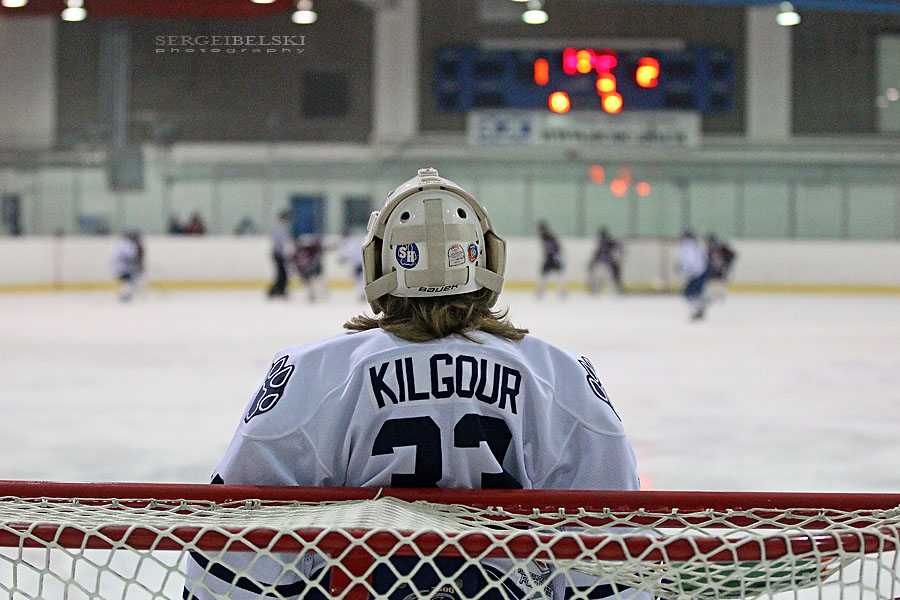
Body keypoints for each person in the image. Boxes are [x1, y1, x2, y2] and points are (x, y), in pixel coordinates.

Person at [183, 168, 644, 600]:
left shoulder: (311, 373)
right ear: (488, 261)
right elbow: (615, 557)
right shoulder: (561, 375)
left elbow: (233, 556)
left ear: (378, 266)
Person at [677, 230, 709, 320]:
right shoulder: (698, 245)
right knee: (694, 292)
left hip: (696, 272)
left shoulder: (687, 246)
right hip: (702, 270)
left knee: (689, 293)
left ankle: (698, 309)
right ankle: (699, 306)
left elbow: (689, 260)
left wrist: (681, 267)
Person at [587, 227, 624, 294]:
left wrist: (592, 262)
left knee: (607, 277)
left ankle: (617, 289)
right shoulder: (603, 242)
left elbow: (618, 246)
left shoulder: (608, 241)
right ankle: (596, 289)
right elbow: (597, 253)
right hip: (604, 263)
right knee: (600, 276)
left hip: (607, 263)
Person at [110, 231, 143, 302]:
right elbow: (130, 256)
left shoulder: (121, 244)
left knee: (130, 281)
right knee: (129, 281)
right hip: (122, 267)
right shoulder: (126, 245)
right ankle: (125, 294)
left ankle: (125, 294)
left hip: (120, 266)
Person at [536, 221, 565, 298]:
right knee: (543, 275)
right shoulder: (543, 237)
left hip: (554, 258)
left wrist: (557, 257)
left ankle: (562, 291)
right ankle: (540, 291)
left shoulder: (550, 237)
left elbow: (557, 248)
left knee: (559, 275)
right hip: (549, 258)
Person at [267, 210, 292, 299]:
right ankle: (276, 290)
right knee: (282, 274)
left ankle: (277, 290)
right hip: (278, 253)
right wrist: (285, 253)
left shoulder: (278, 226)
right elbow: (281, 242)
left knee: (281, 273)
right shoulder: (281, 227)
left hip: (277, 252)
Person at [293, 233, 325, 302]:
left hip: (311, 270)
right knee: (309, 282)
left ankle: (316, 293)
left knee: (314, 281)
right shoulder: (300, 253)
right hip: (305, 271)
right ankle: (312, 293)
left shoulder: (313, 252)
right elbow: (297, 263)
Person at [706, 233, 737, 301]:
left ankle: (721, 295)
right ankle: (712, 295)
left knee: (720, 281)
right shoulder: (710, 249)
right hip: (715, 268)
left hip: (720, 268)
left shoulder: (720, 248)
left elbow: (732, 255)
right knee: (711, 281)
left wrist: (727, 265)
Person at [338, 226, 365, 301]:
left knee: (359, 279)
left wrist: (343, 259)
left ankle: (362, 293)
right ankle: (362, 293)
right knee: (359, 278)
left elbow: (350, 253)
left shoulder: (350, 242)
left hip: (359, 262)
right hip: (359, 262)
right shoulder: (350, 241)